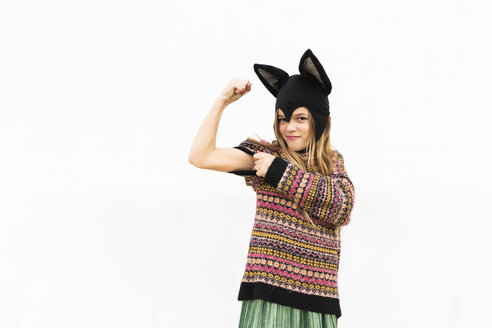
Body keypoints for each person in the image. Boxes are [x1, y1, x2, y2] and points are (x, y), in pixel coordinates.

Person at [188, 49, 355, 328]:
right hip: (267, 301)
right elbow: (200, 156)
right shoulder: (262, 157)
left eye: (300, 118)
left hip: (316, 304)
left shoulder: (331, 165)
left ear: (321, 120)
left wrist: (279, 172)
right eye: (282, 118)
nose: (289, 127)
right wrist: (221, 102)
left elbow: (341, 208)